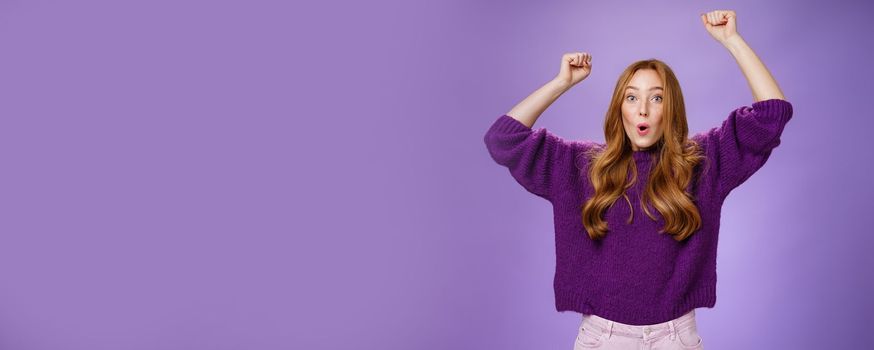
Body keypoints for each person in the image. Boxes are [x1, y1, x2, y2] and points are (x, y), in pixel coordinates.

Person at [482, 10, 792, 350]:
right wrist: (562, 83)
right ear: (620, 109)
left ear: (670, 109)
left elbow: (772, 115)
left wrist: (732, 41)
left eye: (656, 98)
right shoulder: (579, 165)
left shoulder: (703, 162)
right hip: (603, 340)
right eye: (632, 97)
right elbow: (502, 139)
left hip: (675, 339)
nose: (643, 109)